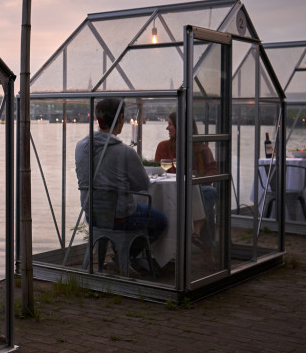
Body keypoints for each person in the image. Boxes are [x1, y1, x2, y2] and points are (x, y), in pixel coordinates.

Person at [75, 98, 167, 262]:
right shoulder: (125, 152)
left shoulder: (80, 147)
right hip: (121, 217)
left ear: (98, 119)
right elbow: (143, 185)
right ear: (120, 118)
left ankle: (119, 255)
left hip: (91, 214)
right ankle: (125, 256)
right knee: (161, 221)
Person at [154, 111, 218, 248]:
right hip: (170, 193)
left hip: (192, 192)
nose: (167, 128)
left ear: (181, 126)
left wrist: (195, 183)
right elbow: (158, 171)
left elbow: (213, 170)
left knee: (209, 191)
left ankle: (196, 233)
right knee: (207, 199)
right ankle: (196, 234)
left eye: (170, 124)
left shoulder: (201, 148)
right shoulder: (163, 147)